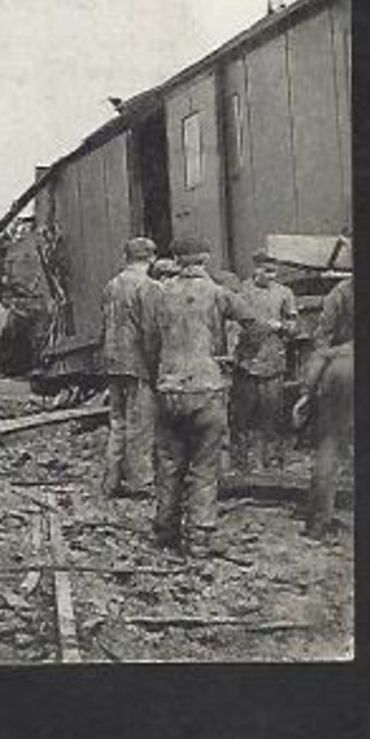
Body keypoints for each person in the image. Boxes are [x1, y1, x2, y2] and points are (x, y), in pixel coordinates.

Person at [142, 235, 258, 557]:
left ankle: (165, 531)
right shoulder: (218, 293)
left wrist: (160, 378)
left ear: (176, 260)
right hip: (206, 388)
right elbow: (254, 324)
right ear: (205, 258)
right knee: (205, 466)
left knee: (168, 462)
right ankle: (199, 540)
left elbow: (151, 343)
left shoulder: (160, 294)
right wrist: (236, 356)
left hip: (169, 388)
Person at [296, 263, 354, 540]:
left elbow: (321, 343)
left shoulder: (342, 291)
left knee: (330, 443)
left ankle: (318, 524)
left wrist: (307, 392)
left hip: (342, 366)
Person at [100, 236, 160, 498]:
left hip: (113, 361)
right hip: (138, 365)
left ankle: (111, 481)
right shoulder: (149, 286)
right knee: (141, 426)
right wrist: (155, 366)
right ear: (152, 258)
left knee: (118, 422)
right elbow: (151, 332)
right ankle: (141, 482)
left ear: (126, 258)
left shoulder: (111, 285)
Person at [229, 251, 300, 472]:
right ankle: (242, 462)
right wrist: (264, 326)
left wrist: (286, 328)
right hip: (247, 364)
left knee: (272, 416)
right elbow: (234, 323)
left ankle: (272, 460)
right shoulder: (242, 291)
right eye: (266, 270)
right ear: (255, 269)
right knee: (242, 416)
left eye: (274, 272)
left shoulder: (284, 293)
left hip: (273, 362)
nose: (270, 276)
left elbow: (293, 325)